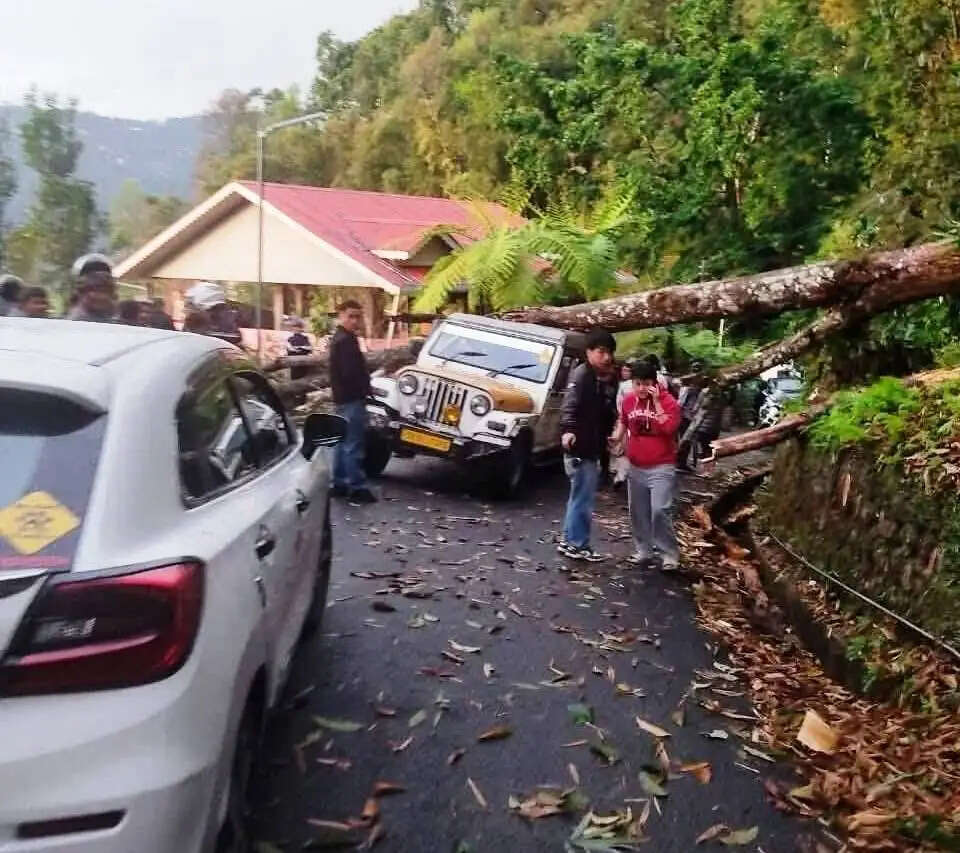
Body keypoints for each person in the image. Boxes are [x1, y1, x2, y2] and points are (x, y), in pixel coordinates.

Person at [611, 360, 683, 570]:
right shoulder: (629, 401)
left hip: (662, 465)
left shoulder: (670, 402)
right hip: (636, 465)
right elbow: (624, 421)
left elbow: (669, 428)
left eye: (646, 384)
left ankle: (669, 554)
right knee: (638, 511)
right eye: (637, 383)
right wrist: (617, 439)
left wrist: (657, 402)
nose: (641, 388)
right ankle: (644, 550)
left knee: (659, 510)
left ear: (655, 383)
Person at [558, 328, 618, 561]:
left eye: (609, 352)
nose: (607, 357)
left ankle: (569, 541)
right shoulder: (582, 375)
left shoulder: (594, 378)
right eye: (601, 351)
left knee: (578, 497)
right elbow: (569, 405)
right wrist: (568, 430)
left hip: (589, 445)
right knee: (583, 498)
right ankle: (578, 544)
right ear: (589, 351)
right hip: (581, 447)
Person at [329, 299, 376, 504]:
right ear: (341, 316)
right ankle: (356, 486)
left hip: (341, 397)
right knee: (353, 443)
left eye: (358, 317)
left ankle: (339, 483)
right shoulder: (346, 341)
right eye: (351, 316)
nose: (355, 321)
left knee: (341, 442)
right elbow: (350, 373)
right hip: (351, 398)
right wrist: (364, 389)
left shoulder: (340, 338)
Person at [184, 281, 241, 346]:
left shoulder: (223, 317)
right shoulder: (192, 319)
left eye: (190, 303)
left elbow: (235, 338)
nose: (186, 308)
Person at [68, 254, 117, 323]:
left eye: (105, 290)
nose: (100, 297)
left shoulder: (117, 319)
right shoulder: (75, 321)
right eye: (95, 289)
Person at [611, 362, 634, 488]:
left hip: (624, 420)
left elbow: (619, 403)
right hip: (633, 422)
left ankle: (619, 473)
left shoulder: (624, 386)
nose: (624, 373)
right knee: (627, 450)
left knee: (620, 448)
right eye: (623, 370)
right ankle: (621, 474)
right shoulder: (644, 387)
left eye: (627, 371)